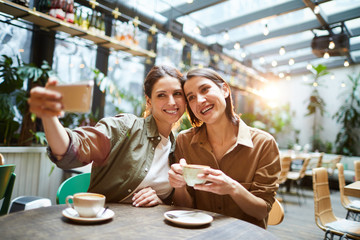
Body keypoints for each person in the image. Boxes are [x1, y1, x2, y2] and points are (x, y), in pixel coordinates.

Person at [28, 65, 186, 207]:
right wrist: (49, 117)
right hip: (103, 224)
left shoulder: (178, 146)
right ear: (149, 101)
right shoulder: (126, 127)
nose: (171, 102)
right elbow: (72, 147)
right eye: (161, 95)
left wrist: (159, 201)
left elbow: (174, 201)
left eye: (177, 94)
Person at [168, 68, 281, 228]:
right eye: (191, 97)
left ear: (225, 89)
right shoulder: (184, 141)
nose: (199, 100)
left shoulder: (263, 144)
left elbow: (261, 212)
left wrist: (232, 188)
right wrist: (179, 186)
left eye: (205, 89)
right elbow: (183, 208)